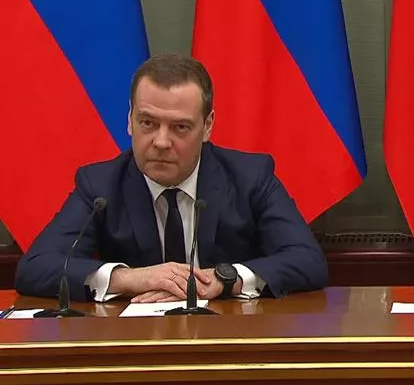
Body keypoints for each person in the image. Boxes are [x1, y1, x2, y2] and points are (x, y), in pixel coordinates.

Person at [16, 53, 326, 302]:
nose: (161, 142)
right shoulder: (100, 185)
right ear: (130, 120)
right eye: (147, 122)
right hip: (135, 344)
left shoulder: (249, 177)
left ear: (207, 126)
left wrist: (224, 279)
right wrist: (132, 278)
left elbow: (307, 260)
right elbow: (34, 268)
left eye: (180, 127)